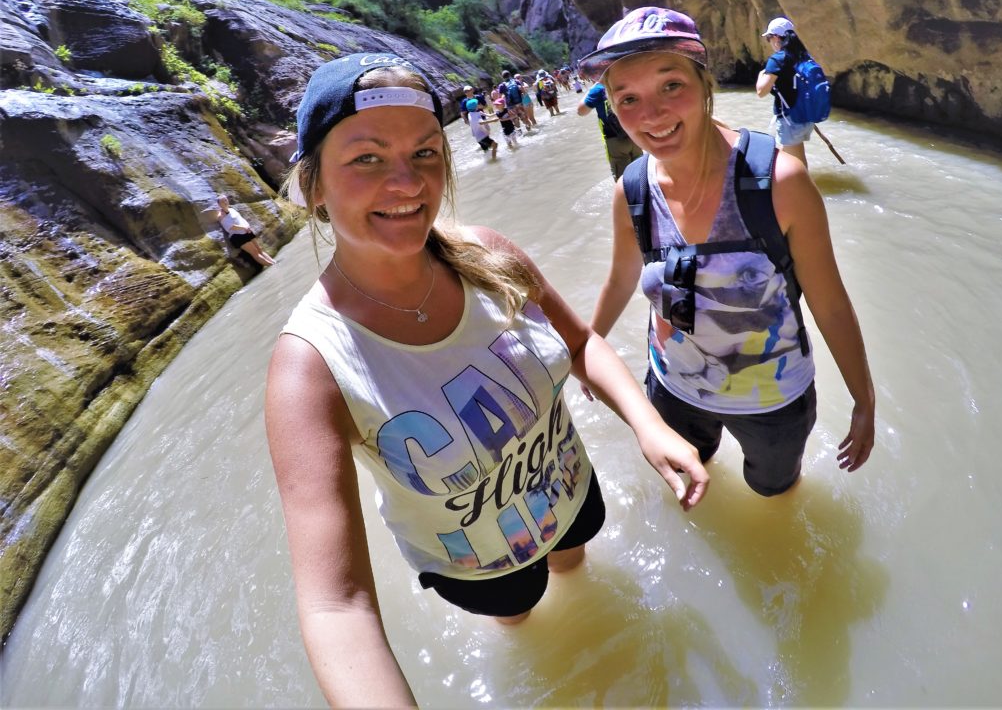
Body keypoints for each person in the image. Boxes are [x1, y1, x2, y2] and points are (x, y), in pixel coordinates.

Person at [266, 51, 709, 707]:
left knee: (573, 567)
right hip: (478, 566)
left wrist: (648, 425)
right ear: (313, 187)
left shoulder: (487, 256)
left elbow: (582, 342)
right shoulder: (311, 366)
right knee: (522, 620)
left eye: (425, 153)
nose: (407, 182)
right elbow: (339, 605)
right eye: (367, 158)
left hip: (569, 491)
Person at [578, 7, 874, 498]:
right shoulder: (630, 190)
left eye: (671, 85)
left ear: (704, 81)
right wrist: (590, 349)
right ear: (611, 105)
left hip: (773, 398)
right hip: (674, 387)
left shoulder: (780, 184)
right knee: (695, 480)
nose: (651, 115)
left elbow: (830, 303)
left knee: (774, 493)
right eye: (628, 98)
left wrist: (863, 399)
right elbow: (620, 278)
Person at [755, 17, 815, 167]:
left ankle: (801, 188)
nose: (769, 42)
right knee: (789, 157)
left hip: (790, 120)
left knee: (794, 164)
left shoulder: (778, 60)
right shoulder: (804, 56)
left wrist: (761, 75)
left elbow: (761, 91)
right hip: (806, 117)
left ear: (776, 38)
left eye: (769, 38)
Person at [577, 81, 643, 180]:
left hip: (614, 139)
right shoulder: (627, 80)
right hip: (635, 135)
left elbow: (581, 111)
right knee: (641, 172)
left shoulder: (598, 89)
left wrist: (591, 89)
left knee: (623, 180)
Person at [215, 194, 275, 267]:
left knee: (259, 249)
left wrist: (247, 227)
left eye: (225, 200)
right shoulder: (221, 215)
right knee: (255, 252)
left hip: (246, 231)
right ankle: (272, 266)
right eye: (222, 201)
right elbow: (230, 227)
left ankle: (273, 262)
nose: (225, 202)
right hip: (237, 236)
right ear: (219, 205)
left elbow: (241, 219)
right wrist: (244, 228)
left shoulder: (231, 209)